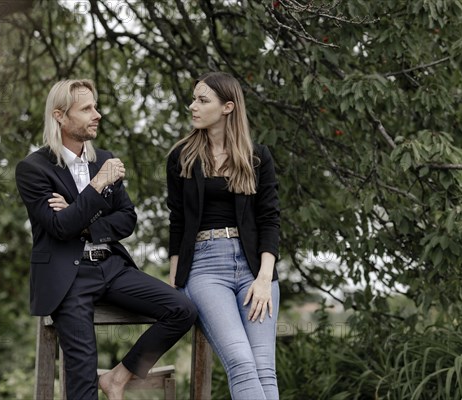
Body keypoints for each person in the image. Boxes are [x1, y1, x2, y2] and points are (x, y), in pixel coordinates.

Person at [16, 79, 197, 400]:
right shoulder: (33, 169)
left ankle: (119, 376)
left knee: (182, 310)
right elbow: (58, 229)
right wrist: (98, 186)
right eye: (86, 109)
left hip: (112, 267)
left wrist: (80, 219)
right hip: (67, 277)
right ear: (59, 115)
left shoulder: (104, 158)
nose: (97, 114)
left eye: (95, 106)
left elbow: (127, 219)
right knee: (83, 378)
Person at [167, 71, 281, 399]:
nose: (193, 106)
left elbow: (270, 219)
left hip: (254, 269)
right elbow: (177, 222)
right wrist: (175, 281)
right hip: (205, 268)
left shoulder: (257, 157)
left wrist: (264, 279)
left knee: (264, 368)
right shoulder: (182, 157)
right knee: (241, 362)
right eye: (194, 99)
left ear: (228, 107)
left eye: (203, 100)